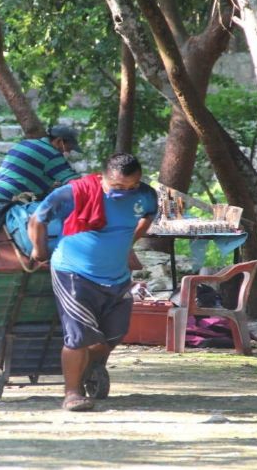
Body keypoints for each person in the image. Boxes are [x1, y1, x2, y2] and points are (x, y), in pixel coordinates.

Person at [28, 153, 157, 411]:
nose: (127, 191)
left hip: (117, 276)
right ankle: (72, 393)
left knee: (113, 334)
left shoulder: (145, 195)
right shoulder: (73, 193)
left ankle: (89, 369)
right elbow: (37, 219)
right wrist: (39, 250)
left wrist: (128, 244)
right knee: (78, 336)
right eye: (119, 187)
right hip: (74, 273)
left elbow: (149, 216)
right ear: (104, 177)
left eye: (132, 185)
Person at [0, 125, 82, 201]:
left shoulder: (24, 143)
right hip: (4, 200)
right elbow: (76, 183)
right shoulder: (52, 155)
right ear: (59, 141)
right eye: (68, 148)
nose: (67, 152)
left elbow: (26, 174)